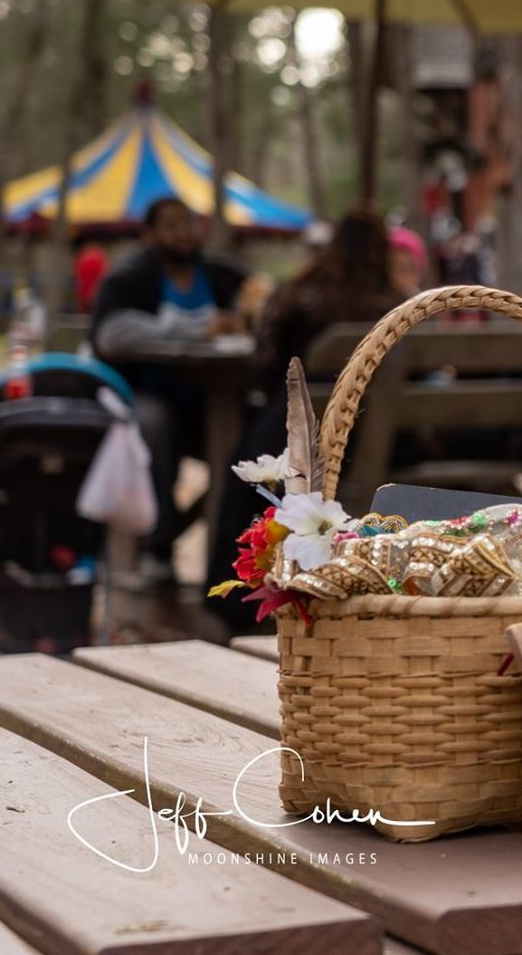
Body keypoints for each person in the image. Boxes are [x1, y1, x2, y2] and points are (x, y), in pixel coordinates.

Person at [208, 208, 405, 631]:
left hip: (296, 445)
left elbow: (264, 368)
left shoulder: (297, 295)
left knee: (247, 460)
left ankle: (237, 604)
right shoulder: (399, 304)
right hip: (385, 446)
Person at [91, 197, 249, 584]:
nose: (183, 234)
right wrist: (199, 329)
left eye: (188, 224)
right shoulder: (129, 279)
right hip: (144, 392)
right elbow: (112, 335)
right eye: (172, 226)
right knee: (155, 425)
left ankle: (239, 553)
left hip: (215, 396)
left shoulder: (222, 275)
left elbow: (260, 309)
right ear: (149, 234)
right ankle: (158, 547)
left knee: (256, 430)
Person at [71, 238, 109, 313]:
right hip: (95, 297)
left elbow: (78, 281)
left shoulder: (82, 259)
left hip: (85, 298)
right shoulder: (98, 259)